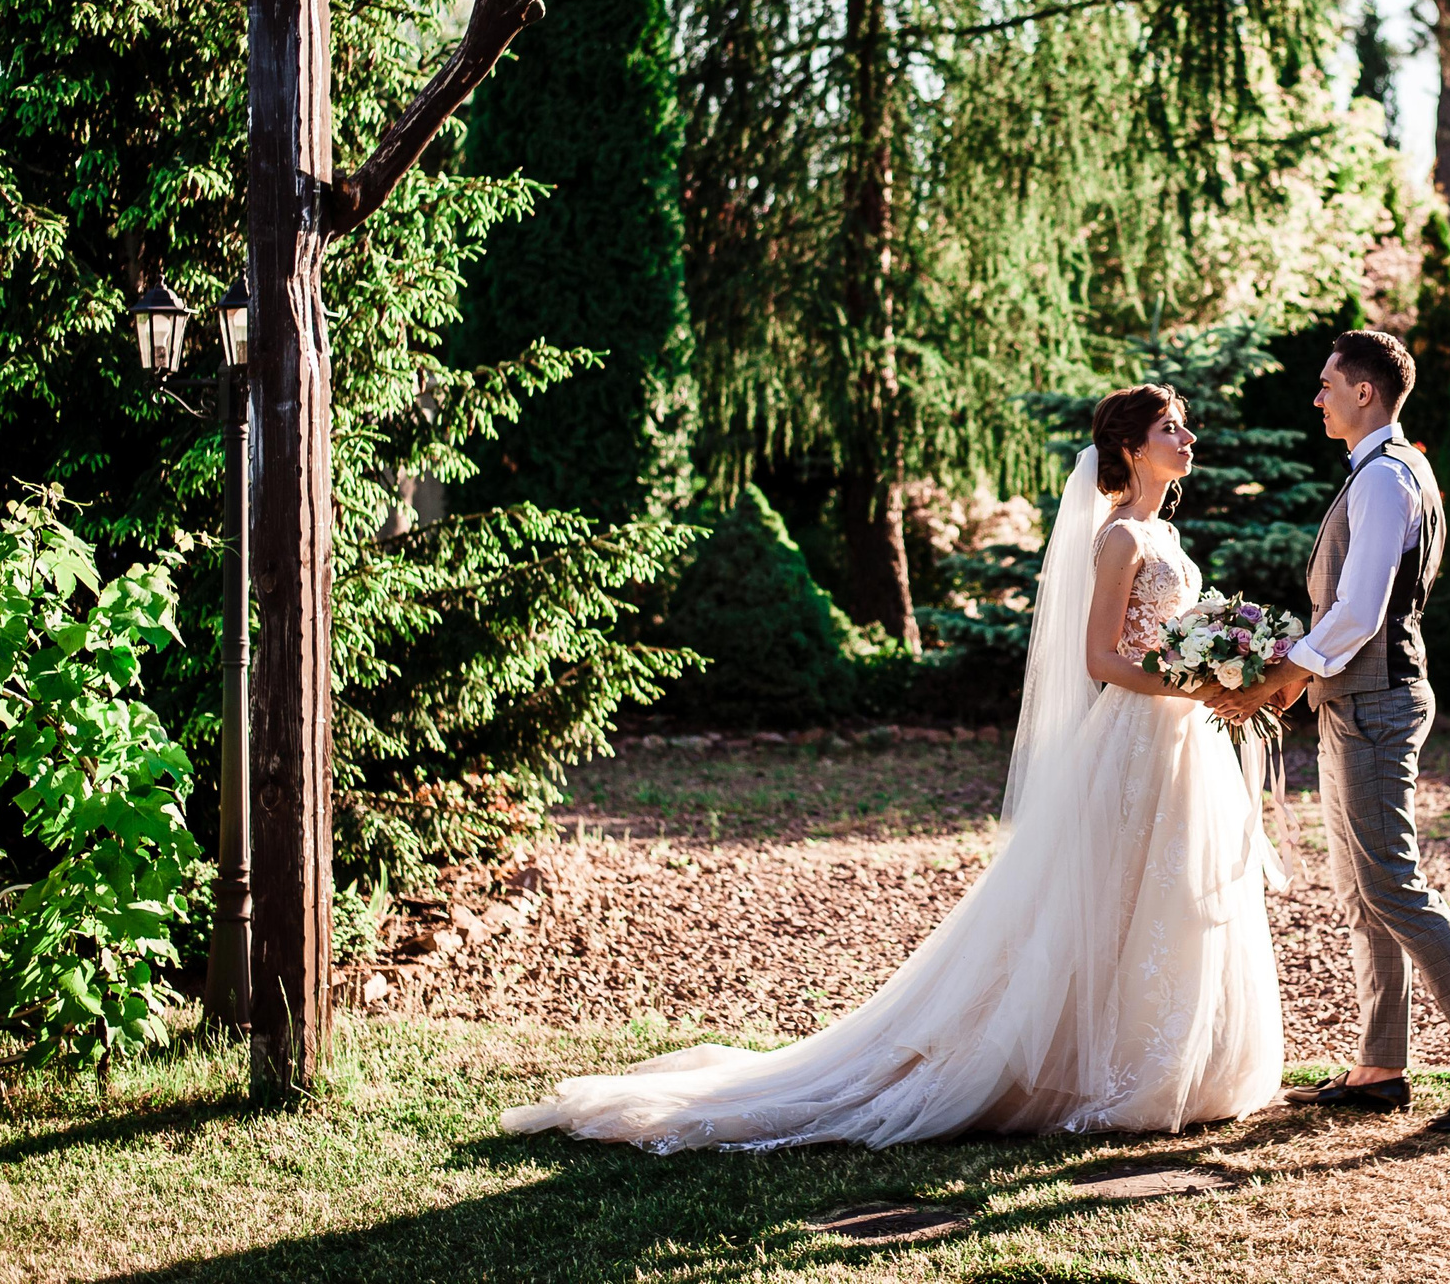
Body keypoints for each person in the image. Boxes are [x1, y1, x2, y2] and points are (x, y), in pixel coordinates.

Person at [500, 384, 1281, 1150]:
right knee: (1107, 896)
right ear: (1129, 447)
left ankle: (1173, 1061)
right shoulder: (1120, 539)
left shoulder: (1168, 538)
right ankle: (1093, 1071)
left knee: (1168, 893)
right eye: (1172, 429)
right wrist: (1195, 680)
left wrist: (1216, 676)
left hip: (1181, 739)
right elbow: (1102, 659)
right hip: (1135, 737)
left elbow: (1162, 641)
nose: (1188, 440)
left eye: (1185, 428)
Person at [1208, 329, 1450, 1134]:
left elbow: (1360, 609)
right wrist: (1301, 672)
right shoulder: (1393, 470)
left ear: (1365, 392)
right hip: (1359, 698)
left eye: (1327, 384)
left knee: (1394, 886)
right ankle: (1380, 1066)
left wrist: (1284, 677)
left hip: (1375, 701)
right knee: (1362, 894)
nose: (1317, 396)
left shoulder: (1386, 479)